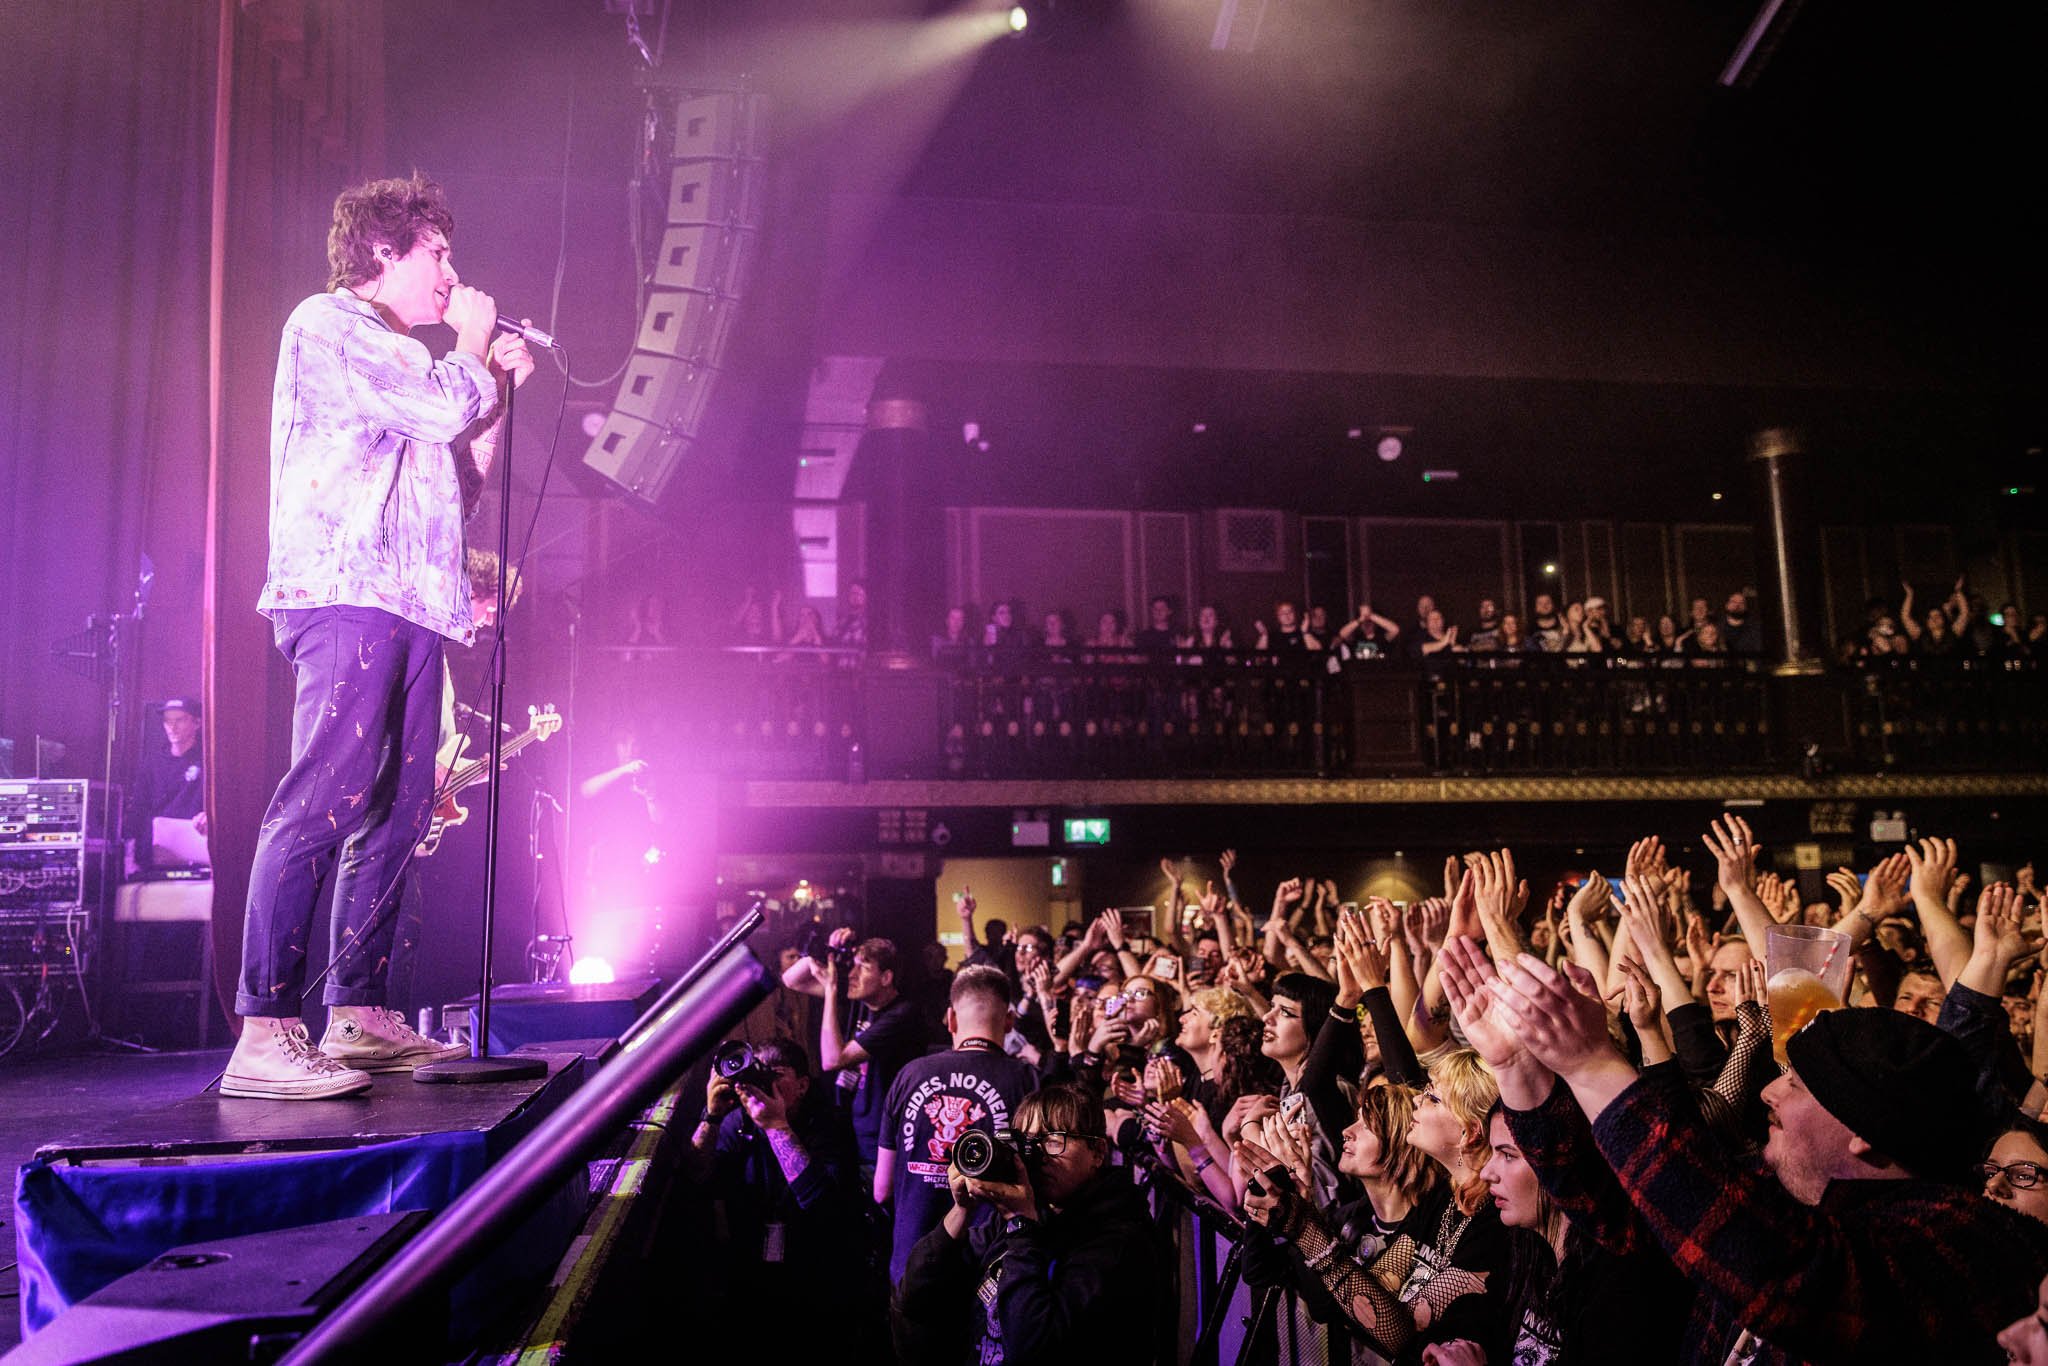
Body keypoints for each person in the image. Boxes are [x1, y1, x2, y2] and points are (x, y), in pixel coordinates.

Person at [223, 172, 532, 1100]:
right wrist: (474, 349)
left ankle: (355, 1014)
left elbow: (458, 487)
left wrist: (497, 393)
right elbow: (444, 404)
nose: (450, 272)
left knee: (399, 811)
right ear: (383, 252)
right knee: (322, 797)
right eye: (437, 252)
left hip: (411, 603)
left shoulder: (409, 366)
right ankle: (265, 1028)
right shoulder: (329, 328)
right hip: (346, 595)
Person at [1454, 940, 2048, 1363]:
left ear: (1863, 1128)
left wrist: (1592, 1065)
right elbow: (1619, 1212)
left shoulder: (1971, 1236)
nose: (1768, 1088)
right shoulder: (1783, 1192)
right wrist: (1518, 1071)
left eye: (1797, 1081)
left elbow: (1785, 1272)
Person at [894, 1083, 1161, 1364]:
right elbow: (916, 1295)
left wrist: (1022, 1226)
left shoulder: (1120, 1241)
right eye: (1027, 1142)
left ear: (1097, 1152)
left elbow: (1033, 1346)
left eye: (1054, 1140)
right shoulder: (1030, 1214)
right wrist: (962, 1210)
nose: (1038, 1155)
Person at [689, 1037, 878, 1338]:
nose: (764, 1085)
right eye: (758, 1075)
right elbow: (696, 1178)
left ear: (802, 1085)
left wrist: (776, 1126)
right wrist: (711, 1116)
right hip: (754, 1275)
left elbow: (822, 1203)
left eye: (775, 1075)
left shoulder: (829, 1123)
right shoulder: (737, 1123)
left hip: (819, 1276)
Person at [875, 965, 1039, 1284]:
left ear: (950, 1018)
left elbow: (882, 1190)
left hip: (914, 1270)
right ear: (1008, 1020)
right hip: (990, 1274)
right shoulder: (1026, 1081)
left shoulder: (910, 1075)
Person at [783, 930, 926, 1177]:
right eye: (853, 965)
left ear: (886, 977)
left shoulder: (901, 1015)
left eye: (864, 968)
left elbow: (833, 1060)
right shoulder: (859, 999)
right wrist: (822, 952)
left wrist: (830, 992)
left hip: (882, 1141)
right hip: (851, 1132)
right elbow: (791, 980)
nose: (852, 974)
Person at [126, 696, 206, 874]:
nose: (172, 727)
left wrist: (210, 817)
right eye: (168, 721)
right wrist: (130, 857)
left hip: (195, 853)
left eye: (180, 720)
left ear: (197, 723)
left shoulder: (207, 761)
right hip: (153, 853)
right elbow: (138, 810)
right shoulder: (151, 763)